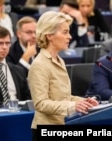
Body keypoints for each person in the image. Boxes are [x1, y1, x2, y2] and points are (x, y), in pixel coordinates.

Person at [27, 11, 98, 140]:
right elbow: (41, 103)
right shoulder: (39, 64)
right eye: (65, 32)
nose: (70, 37)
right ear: (49, 35)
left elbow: (62, 97)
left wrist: (82, 102)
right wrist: (73, 106)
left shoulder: (60, 60)